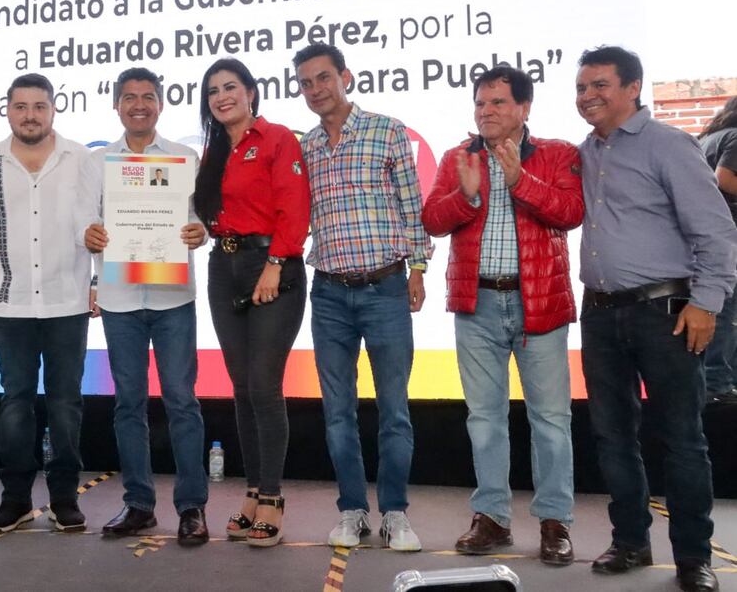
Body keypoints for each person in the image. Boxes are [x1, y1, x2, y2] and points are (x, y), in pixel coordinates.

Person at [576, 46, 736, 592]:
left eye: (599, 85)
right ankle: (630, 543)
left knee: (682, 440)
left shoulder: (670, 146)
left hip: (665, 313)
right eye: (581, 88)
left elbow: (716, 232)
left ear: (633, 87)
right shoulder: (586, 153)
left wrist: (706, 302)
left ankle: (694, 559)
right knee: (613, 436)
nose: (588, 96)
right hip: (598, 314)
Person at [422, 66, 582, 565]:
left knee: (551, 419)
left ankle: (555, 521)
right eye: (480, 103)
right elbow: (431, 220)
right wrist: (467, 195)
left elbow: (570, 212)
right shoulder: (457, 158)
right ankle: (492, 517)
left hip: (540, 303)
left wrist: (519, 181)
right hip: (478, 304)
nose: (486, 111)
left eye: (497, 103)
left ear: (524, 108)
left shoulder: (558, 155)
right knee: (485, 419)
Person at [293, 43, 431, 552]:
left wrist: (417, 268)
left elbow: (412, 207)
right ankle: (352, 510)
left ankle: (395, 512)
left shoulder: (387, 131)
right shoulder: (305, 146)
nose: (315, 89)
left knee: (394, 409)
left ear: (345, 77)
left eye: (323, 78)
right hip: (328, 293)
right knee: (337, 412)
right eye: (306, 83)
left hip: (386, 287)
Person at [0, 73, 97, 534]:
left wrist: (98, 281)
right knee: (15, 403)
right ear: (8, 110)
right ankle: (15, 499)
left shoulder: (81, 158)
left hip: (68, 302)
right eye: (21, 106)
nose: (30, 115)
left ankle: (64, 499)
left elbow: (97, 224)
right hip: (10, 305)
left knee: (65, 404)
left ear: (53, 109)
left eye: (39, 106)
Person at [84, 67, 209, 546]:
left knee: (182, 401)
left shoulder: (184, 158)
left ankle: (191, 506)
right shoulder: (98, 164)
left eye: (148, 97)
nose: (139, 104)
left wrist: (201, 231)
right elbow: (85, 219)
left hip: (173, 297)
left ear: (161, 104)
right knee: (128, 405)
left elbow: (200, 219)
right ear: (117, 105)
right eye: (130, 97)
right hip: (118, 298)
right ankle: (138, 505)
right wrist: (88, 232)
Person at [193, 57, 310, 548]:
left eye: (231, 87)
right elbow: (211, 216)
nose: (222, 96)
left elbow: (295, 206)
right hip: (224, 267)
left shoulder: (279, 138)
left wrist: (277, 262)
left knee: (264, 384)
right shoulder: (213, 150)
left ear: (251, 93)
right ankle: (252, 492)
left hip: (272, 266)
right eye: (213, 90)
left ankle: (273, 498)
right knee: (241, 387)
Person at [698, 96, 737, 404]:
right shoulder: (735, 137)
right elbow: (723, 178)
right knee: (726, 312)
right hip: (726, 236)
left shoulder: (707, 138)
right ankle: (719, 385)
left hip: (701, 238)